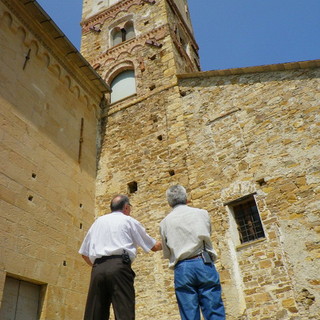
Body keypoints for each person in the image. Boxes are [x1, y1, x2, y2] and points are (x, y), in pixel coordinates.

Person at [79, 194, 162, 320]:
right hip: (119, 267)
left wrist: (100, 266)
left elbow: (84, 253)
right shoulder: (129, 221)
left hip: (97, 269)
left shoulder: (98, 222)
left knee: (94, 313)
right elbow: (154, 246)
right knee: (124, 312)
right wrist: (170, 241)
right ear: (126, 207)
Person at [160, 185, 225, 320]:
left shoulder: (164, 223)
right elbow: (208, 232)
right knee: (214, 309)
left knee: (189, 314)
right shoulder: (202, 213)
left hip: (182, 267)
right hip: (203, 261)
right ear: (186, 198)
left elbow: (167, 252)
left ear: (169, 202)